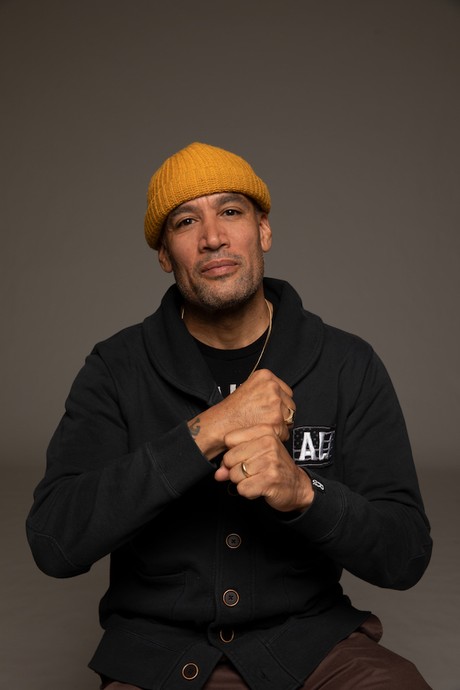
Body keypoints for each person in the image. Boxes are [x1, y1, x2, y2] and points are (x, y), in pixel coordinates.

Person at [27, 142, 433, 689]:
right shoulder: (116, 368)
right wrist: (207, 429)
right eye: (186, 221)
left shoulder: (347, 363)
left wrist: (305, 493)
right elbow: (54, 542)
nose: (212, 236)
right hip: (161, 657)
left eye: (231, 211)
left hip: (311, 646)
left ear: (263, 230)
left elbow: (406, 555)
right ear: (165, 255)